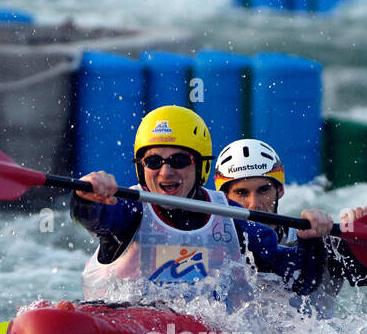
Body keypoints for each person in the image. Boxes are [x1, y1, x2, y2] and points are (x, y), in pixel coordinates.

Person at [73, 105, 334, 307]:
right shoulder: (129, 210)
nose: (165, 173)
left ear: (201, 166)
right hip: (119, 327)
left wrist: (311, 239)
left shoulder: (230, 217)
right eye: (153, 161)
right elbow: (92, 216)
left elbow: (300, 280)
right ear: (141, 168)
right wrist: (87, 195)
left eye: (179, 160)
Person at [214, 138, 367, 317]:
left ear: (279, 190)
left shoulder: (324, 242)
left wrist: (365, 242)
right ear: (225, 199)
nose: (254, 204)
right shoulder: (214, 247)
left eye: (263, 190)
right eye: (241, 193)